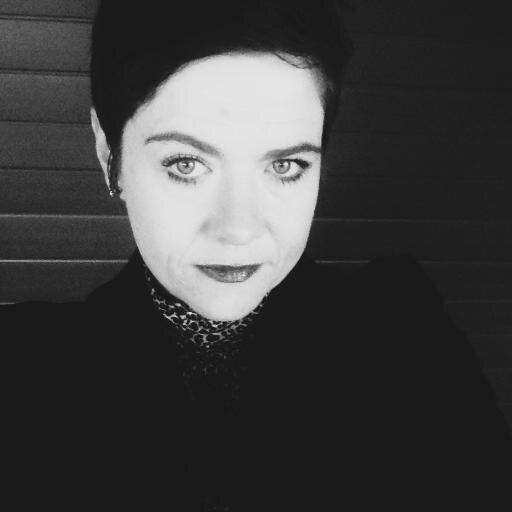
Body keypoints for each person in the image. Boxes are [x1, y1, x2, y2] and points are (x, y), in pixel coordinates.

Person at [2, 1, 511, 510]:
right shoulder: (24, 377)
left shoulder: (408, 342)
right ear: (108, 154)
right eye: (186, 164)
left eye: (285, 165)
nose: (239, 230)